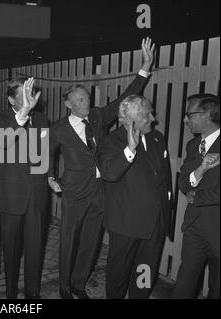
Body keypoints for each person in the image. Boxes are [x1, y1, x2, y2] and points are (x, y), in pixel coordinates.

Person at [48, 38, 155, 299]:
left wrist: (145, 68)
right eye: (81, 99)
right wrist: (50, 176)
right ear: (69, 104)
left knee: (91, 243)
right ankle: (63, 286)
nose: (86, 102)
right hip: (74, 192)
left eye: (87, 98)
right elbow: (44, 154)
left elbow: (124, 98)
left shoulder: (97, 117)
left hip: (99, 191)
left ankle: (78, 284)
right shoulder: (58, 129)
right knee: (68, 242)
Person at [97, 95, 172, 299]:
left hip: (154, 224)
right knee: (118, 274)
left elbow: (165, 181)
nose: (153, 118)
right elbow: (109, 173)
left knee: (145, 270)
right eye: (147, 114)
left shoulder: (157, 138)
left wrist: (165, 218)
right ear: (129, 118)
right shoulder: (111, 142)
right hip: (126, 224)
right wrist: (129, 149)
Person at [0, 77, 48, 299]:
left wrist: (49, 176)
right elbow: (4, 143)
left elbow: (43, 154)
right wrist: (23, 113)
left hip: (37, 194)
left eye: (31, 93)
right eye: (24, 95)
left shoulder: (42, 118)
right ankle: (12, 296)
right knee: (12, 251)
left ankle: (33, 294)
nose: (30, 98)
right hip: (12, 196)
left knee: (35, 250)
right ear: (10, 99)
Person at [173, 94, 220, 299]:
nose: (185, 120)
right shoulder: (193, 146)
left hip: (217, 227)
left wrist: (197, 197)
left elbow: (192, 192)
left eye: (189, 114)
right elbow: (183, 183)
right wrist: (200, 170)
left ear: (208, 115)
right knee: (185, 281)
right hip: (194, 227)